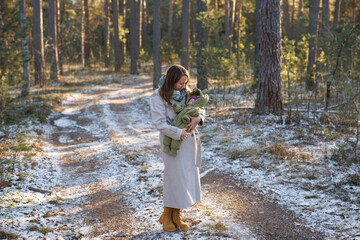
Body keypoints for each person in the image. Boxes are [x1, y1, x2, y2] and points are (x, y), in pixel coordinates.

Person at [150, 65, 205, 232]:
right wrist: (178, 132)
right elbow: (159, 123)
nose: (184, 86)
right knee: (174, 178)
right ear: (172, 81)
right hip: (171, 141)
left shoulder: (186, 94)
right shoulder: (158, 96)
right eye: (181, 83)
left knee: (184, 179)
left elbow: (200, 107)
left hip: (189, 142)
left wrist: (198, 119)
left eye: (185, 83)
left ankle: (176, 215)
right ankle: (167, 214)